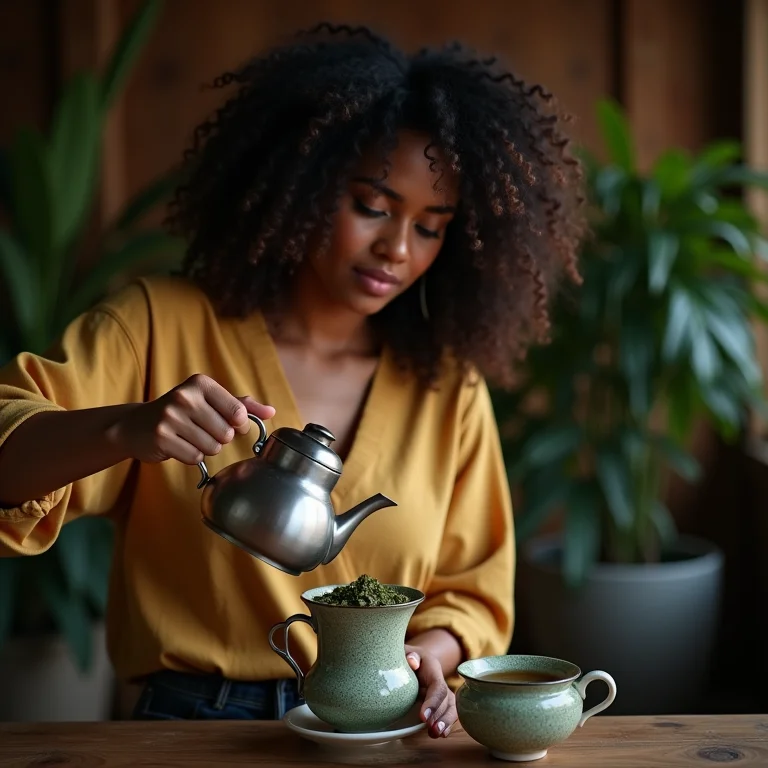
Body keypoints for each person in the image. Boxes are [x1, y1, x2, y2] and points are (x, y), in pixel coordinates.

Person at [0, 23, 584, 735]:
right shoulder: (161, 325)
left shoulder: (445, 387)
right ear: (298, 182)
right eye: (371, 205)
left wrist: (432, 655)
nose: (396, 249)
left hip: (379, 724)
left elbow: (474, 591)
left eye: (431, 226)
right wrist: (128, 426)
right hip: (191, 725)